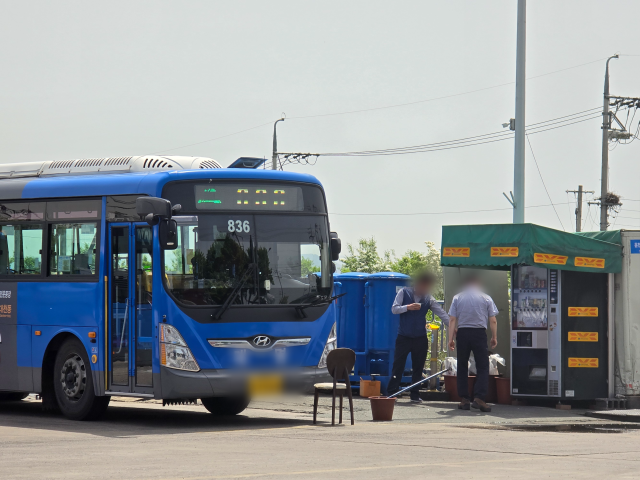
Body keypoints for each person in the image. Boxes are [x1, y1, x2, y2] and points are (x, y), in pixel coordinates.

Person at [388, 271, 449, 403]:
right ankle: (392, 392)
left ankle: (415, 394)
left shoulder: (428, 298)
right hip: (404, 336)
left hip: (420, 337)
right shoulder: (404, 292)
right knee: (398, 365)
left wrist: (453, 326)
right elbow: (394, 309)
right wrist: (407, 307)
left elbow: (441, 313)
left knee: (418, 366)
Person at [448, 274, 498, 413]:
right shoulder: (486, 297)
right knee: (483, 365)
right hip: (479, 333)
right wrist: (494, 337)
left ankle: (464, 399)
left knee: (462, 365)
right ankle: (479, 398)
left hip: (463, 333)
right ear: (478, 283)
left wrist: (450, 339)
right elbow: (493, 320)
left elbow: (452, 319)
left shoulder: (458, 297)